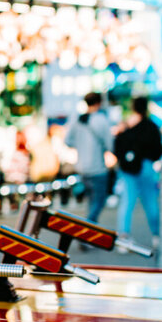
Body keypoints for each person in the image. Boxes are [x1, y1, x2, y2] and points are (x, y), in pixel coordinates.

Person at [113, 96, 162, 244]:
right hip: (147, 167)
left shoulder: (126, 125)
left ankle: (123, 237)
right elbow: (158, 150)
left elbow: (117, 146)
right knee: (150, 202)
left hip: (128, 169)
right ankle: (157, 235)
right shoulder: (151, 126)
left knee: (127, 202)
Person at [64, 91, 115, 223]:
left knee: (91, 201)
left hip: (82, 167)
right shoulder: (101, 120)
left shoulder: (76, 119)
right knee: (99, 200)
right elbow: (110, 145)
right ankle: (88, 228)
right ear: (99, 103)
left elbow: (68, 141)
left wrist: (81, 145)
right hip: (97, 167)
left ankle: (89, 233)